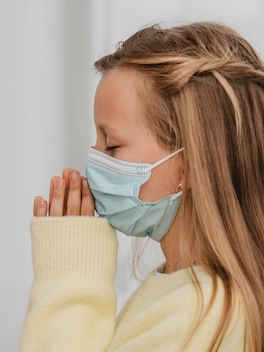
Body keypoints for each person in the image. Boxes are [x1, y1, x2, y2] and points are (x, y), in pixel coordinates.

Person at [20, 22, 264, 351]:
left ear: (187, 168)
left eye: (112, 145)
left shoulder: (201, 316)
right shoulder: (180, 290)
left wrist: (69, 277)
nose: (94, 161)